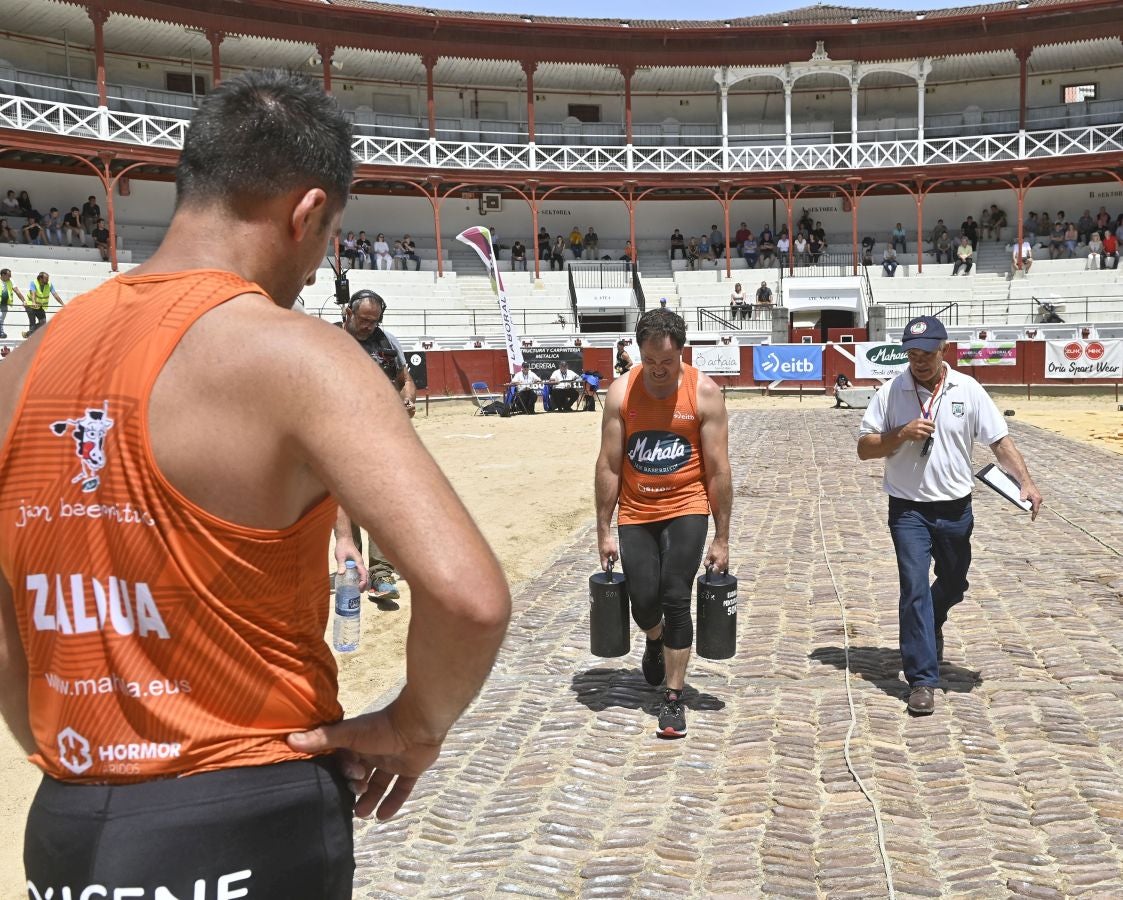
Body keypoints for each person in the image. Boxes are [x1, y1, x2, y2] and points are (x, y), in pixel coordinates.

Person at [0, 70, 510, 895]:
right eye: (327, 238)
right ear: (307, 213)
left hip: (68, 824)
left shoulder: (24, 366)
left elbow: (7, 633)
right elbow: (467, 597)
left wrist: (89, 768)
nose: (315, 270)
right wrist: (414, 727)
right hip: (245, 804)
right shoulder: (294, 354)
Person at [857, 315, 1041, 716]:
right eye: (911, 354)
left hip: (956, 507)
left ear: (945, 351)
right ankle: (923, 679)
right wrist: (900, 434)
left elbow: (999, 442)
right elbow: (865, 448)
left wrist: (1025, 482)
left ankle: (933, 616)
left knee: (955, 581)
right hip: (907, 508)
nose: (919, 361)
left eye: (927, 353)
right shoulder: (891, 393)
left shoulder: (968, 389)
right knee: (914, 587)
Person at [595, 308, 732, 738]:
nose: (657, 371)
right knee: (644, 599)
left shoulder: (705, 394)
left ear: (681, 353)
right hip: (636, 510)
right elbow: (609, 465)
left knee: (676, 594)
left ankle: (673, 697)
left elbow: (718, 470)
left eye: (667, 363)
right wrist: (604, 528)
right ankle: (655, 639)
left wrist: (722, 536)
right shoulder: (621, 393)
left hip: (687, 506)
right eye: (649, 362)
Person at [339, 289, 417, 603]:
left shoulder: (387, 342)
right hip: (340, 436)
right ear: (348, 312)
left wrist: (408, 398)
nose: (368, 326)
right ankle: (353, 566)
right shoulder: (328, 339)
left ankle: (382, 573)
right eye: (363, 320)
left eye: (374, 321)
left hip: (383, 435)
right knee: (347, 503)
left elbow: (405, 379)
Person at [23, 271, 61, 336]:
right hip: (30, 305)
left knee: (43, 323)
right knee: (32, 322)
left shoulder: (49, 284)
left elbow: (55, 294)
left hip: (40, 306)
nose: (48, 280)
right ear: (41, 279)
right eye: (46, 279)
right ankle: (31, 338)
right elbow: (33, 293)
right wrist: (34, 302)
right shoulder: (34, 283)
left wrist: (62, 304)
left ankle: (28, 333)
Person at [0, 267, 26, 339]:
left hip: (4, 303)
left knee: (1, 319)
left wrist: (23, 301)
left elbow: (17, 291)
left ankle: (1, 332)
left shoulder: (11, 281)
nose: (10, 277)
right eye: (9, 275)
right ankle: (1, 332)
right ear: (3, 275)